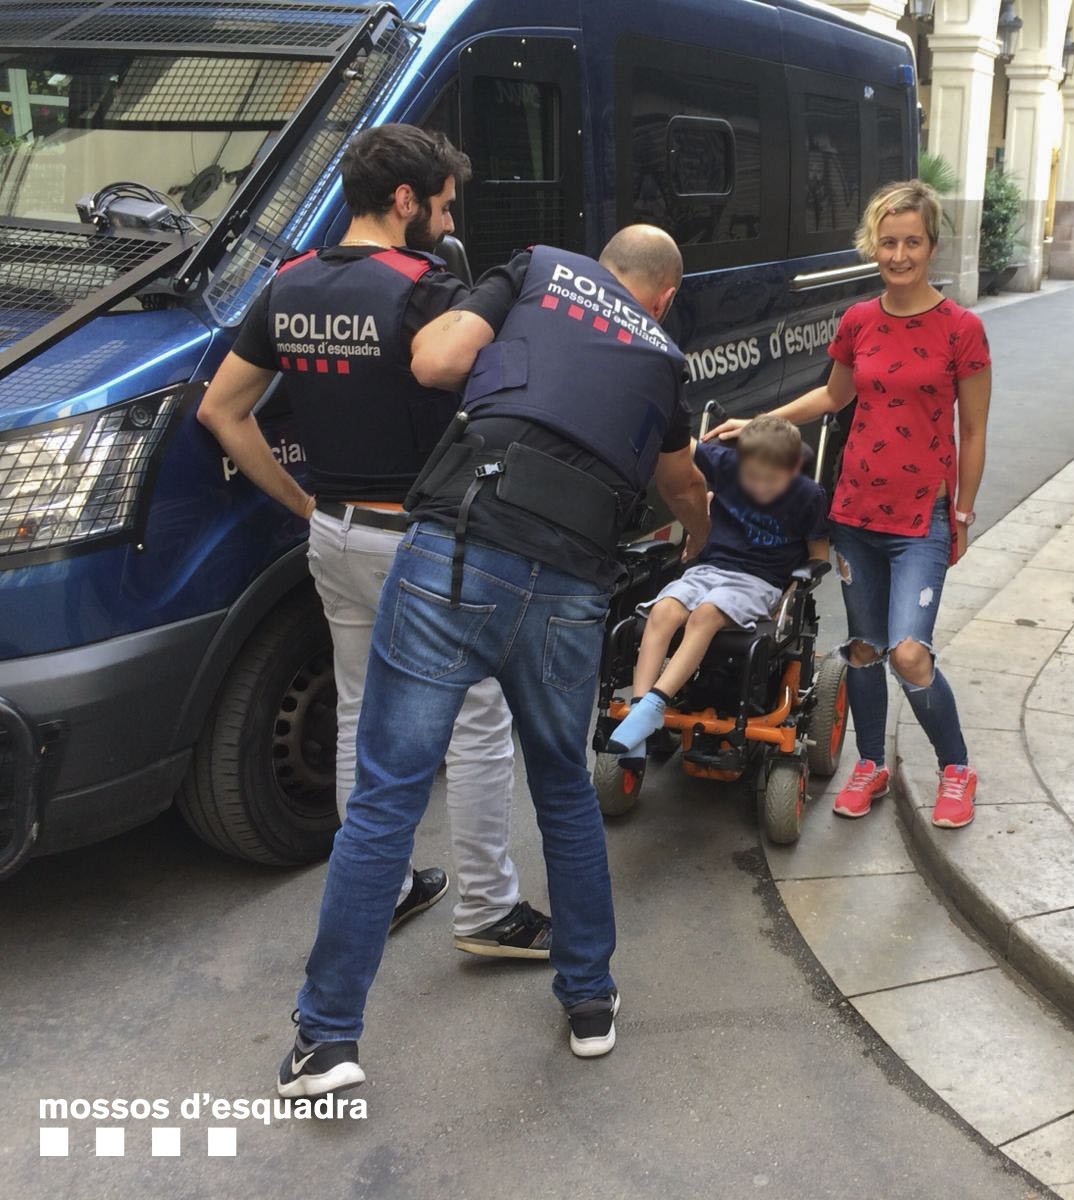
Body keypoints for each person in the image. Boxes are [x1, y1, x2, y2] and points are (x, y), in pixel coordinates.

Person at [274, 223, 709, 1097]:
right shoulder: (665, 356)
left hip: (459, 552)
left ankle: (325, 1044)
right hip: (570, 591)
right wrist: (699, 556)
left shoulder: (537, 268)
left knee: (387, 796)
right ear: (661, 296)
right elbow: (684, 488)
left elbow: (435, 360)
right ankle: (588, 1001)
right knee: (562, 791)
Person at [198, 124, 549, 960]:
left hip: (334, 535)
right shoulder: (426, 287)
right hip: (424, 539)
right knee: (475, 717)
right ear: (405, 201)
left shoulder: (289, 283)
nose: (443, 218)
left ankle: (384, 888)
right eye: (442, 204)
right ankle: (490, 910)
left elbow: (222, 410)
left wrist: (304, 501)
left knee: (360, 715)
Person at [709, 179, 992, 831]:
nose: (899, 255)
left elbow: (973, 430)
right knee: (863, 647)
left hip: (922, 516)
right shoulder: (858, 321)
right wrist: (757, 422)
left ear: (931, 244)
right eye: (888, 242)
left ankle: (956, 768)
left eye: (911, 242)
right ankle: (870, 764)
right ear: (874, 245)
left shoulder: (961, 330)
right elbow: (831, 398)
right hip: (856, 514)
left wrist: (964, 513)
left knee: (910, 653)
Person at [605, 414, 830, 758]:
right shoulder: (728, 463)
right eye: (752, 476)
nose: (760, 487)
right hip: (710, 568)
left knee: (706, 614)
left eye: (772, 479)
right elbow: (678, 441)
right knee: (663, 611)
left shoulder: (808, 496)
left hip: (758, 581)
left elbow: (818, 555)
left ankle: (652, 707)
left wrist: (792, 595)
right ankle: (640, 710)